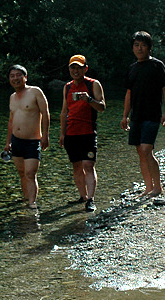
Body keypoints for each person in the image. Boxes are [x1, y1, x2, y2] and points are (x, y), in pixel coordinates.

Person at [121, 31, 165, 197]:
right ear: (132, 48)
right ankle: (148, 187)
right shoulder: (132, 68)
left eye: (143, 45)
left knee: (146, 149)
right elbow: (129, 93)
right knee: (140, 152)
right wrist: (125, 116)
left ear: (149, 47)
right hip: (137, 116)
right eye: (136, 45)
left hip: (152, 114)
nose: (139, 48)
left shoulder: (157, 66)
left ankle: (158, 187)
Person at [59, 54, 105, 212]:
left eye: (79, 67)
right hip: (71, 133)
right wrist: (62, 134)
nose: (75, 70)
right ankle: (82, 196)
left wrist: (89, 100)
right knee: (76, 165)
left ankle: (91, 199)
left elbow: (102, 107)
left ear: (85, 68)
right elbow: (64, 111)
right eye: (73, 67)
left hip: (88, 132)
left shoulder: (93, 84)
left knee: (88, 164)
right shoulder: (67, 87)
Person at [5, 64, 50, 209]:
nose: (15, 78)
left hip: (32, 140)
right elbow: (11, 120)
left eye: (19, 75)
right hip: (16, 140)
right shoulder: (12, 97)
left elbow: (45, 113)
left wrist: (45, 135)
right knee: (22, 172)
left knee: (30, 173)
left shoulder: (35, 92)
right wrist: (8, 142)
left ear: (25, 77)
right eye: (12, 76)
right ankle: (26, 199)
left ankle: (32, 203)